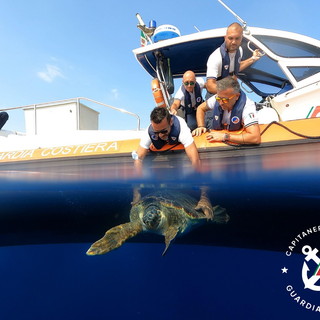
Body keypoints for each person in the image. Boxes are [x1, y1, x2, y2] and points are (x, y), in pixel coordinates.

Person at [192, 76, 261, 145]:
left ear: (236, 96)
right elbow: (200, 108)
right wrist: (201, 126)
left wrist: (225, 136)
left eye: (225, 100)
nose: (221, 103)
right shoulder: (218, 97)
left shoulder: (247, 106)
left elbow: (255, 138)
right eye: (219, 99)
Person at [133, 106, 200, 169]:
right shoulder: (149, 131)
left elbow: (195, 160)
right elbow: (138, 158)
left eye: (163, 131)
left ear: (171, 122)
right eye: (156, 132)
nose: (160, 135)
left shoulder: (181, 127)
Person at [206, 22, 263, 95]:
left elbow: (236, 67)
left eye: (237, 38)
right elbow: (210, 86)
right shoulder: (216, 57)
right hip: (217, 93)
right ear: (225, 38)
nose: (233, 42)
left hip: (231, 90)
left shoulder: (240, 51)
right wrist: (228, 92)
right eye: (230, 38)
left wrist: (253, 58)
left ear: (241, 38)